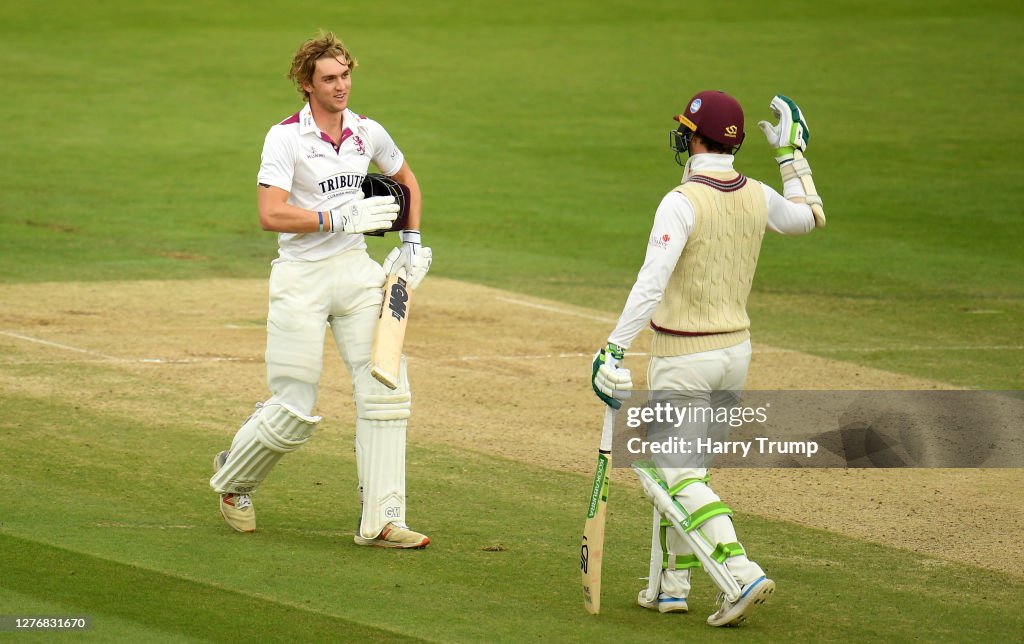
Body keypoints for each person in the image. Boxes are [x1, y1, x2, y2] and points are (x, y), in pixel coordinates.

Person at [590, 90, 822, 625]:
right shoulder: (758, 194)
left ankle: (741, 573)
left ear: (696, 138)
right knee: (688, 471)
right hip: (734, 354)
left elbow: (651, 284)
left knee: (676, 475)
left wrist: (613, 347)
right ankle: (671, 585)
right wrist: (792, 157)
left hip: (684, 355)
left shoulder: (681, 200)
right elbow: (810, 218)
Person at [209, 31, 432, 549]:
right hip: (301, 278)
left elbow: (407, 182)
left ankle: (383, 520)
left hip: (357, 273)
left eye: (346, 75)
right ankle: (233, 482)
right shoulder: (285, 137)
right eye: (329, 78)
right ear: (306, 85)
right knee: (294, 404)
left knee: (387, 390)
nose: (341, 86)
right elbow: (270, 214)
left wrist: (412, 243)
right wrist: (338, 217)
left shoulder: (367, 131)